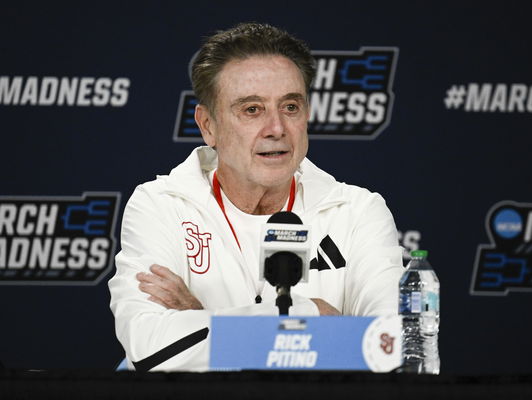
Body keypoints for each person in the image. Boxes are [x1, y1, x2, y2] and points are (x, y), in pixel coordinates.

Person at [108, 22, 404, 372]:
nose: (276, 129)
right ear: (208, 126)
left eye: (290, 107)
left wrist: (202, 317)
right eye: (252, 109)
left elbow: (390, 347)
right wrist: (314, 314)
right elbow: (149, 349)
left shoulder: (358, 212)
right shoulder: (160, 205)